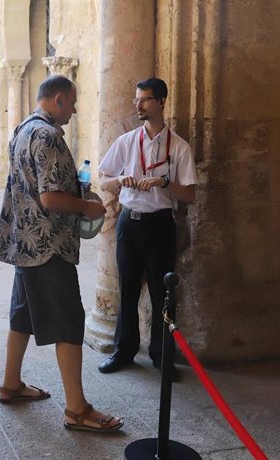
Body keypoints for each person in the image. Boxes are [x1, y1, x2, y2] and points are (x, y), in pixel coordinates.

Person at [0, 75, 123, 433]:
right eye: (73, 101)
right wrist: (87, 206)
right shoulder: (48, 136)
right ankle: (77, 409)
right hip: (48, 246)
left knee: (22, 316)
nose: (76, 108)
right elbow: (50, 198)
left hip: (25, 243)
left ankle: (11, 384)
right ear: (58, 99)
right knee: (69, 323)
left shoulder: (23, 129)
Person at [97, 78, 196, 377]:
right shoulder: (127, 142)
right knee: (126, 289)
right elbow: (103, 179)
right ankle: (124, 351)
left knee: (162, 294)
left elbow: (190, 194)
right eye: (137, 99)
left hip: (160, 225)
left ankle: (162, 355)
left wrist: (164, 182)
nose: (138, 104)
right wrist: (120, 181)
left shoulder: (177, 147)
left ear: (162, 102)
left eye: (145, 99)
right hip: (130, 222)